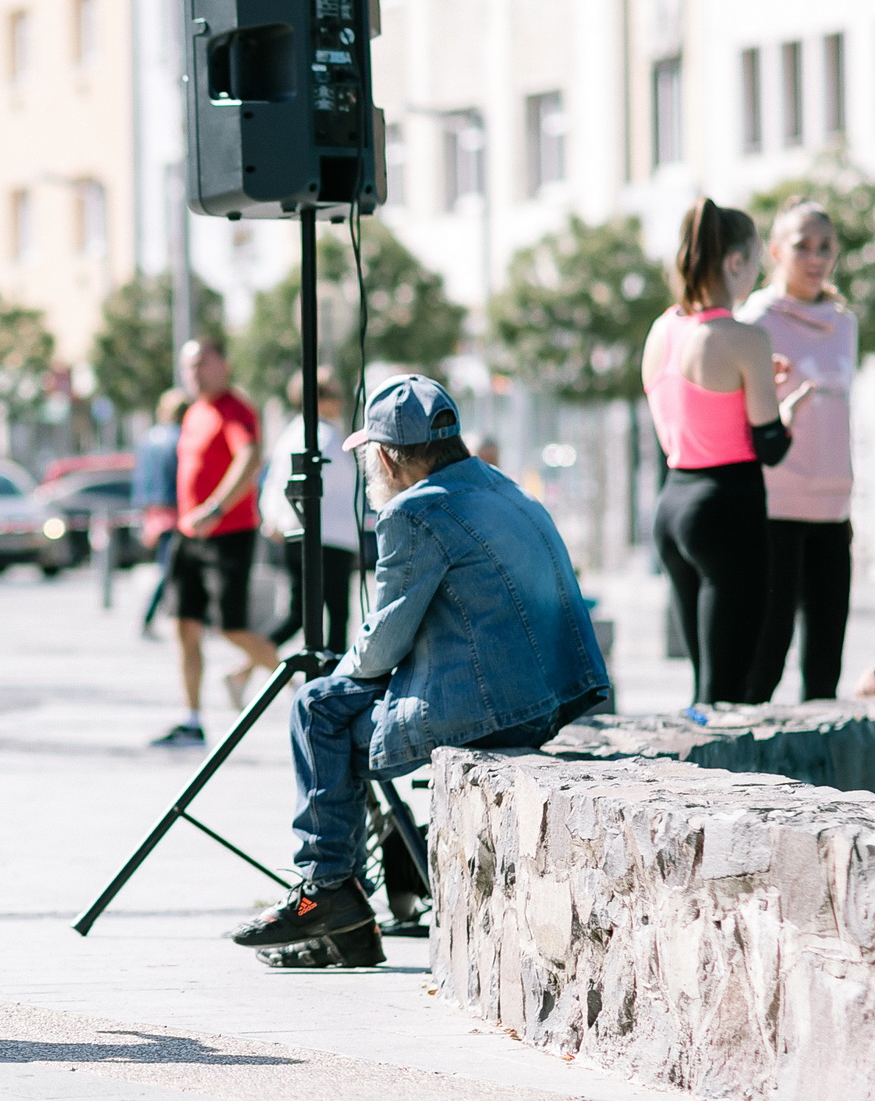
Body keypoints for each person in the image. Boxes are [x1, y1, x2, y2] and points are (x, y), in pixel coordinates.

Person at [231, 376, 610, 968]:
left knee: (318, 708)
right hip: (552, 695)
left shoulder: (416, 509)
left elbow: (382, 643)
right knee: (338, 699)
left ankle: (329, 892)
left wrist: (346, 671)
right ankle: (350, 917)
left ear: (384, 455)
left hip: (487, 706)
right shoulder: (503, 486)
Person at [643, 199, 812, 707]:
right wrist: (788, 411)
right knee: (731, 695)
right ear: (735, 262)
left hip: (673, 506)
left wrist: (753, 384)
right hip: (726, 511)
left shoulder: (662, 329)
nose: (756, 273)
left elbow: (692, 414)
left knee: (703, 691)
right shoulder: (744, 338)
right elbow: (770, 447)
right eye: (755, 261)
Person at [740, 201, 857, 702]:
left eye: (825, 246)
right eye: (802, 246)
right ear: (773, 251)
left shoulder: (845, 323)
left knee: (825, 664)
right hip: (775, 507)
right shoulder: (754, 321)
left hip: (834, 509)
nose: (816, 257)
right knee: (767, 654)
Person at [151, 338, 277, 747]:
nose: (194, 373)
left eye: (202, 364)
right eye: (189, 366)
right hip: (189, 536)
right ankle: (191, 720)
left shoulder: (235, 409)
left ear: (223, 364)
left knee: (232, 629)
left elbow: (250, 456)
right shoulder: (193, 413)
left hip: (228, 535)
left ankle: (299, 687)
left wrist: (216, 507)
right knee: (183, 627)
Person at [259, 369, 358, 654]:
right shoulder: (322, 437)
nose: (340, 402)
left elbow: (273, 482)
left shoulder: (294, 433)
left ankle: (249, 663)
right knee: (332, 617)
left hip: (307, 533)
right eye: (335, 395)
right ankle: (333, 683)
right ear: (319, 398)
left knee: (301, 615)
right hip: (325, 537)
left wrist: (274, 520)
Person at [133, 388, 188, 635]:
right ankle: (150, 616)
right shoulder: (182, 439)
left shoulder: (148, 439)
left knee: (169, 566)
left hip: (153, 510)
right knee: (172, 568)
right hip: (177, 510)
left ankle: (158, 615)